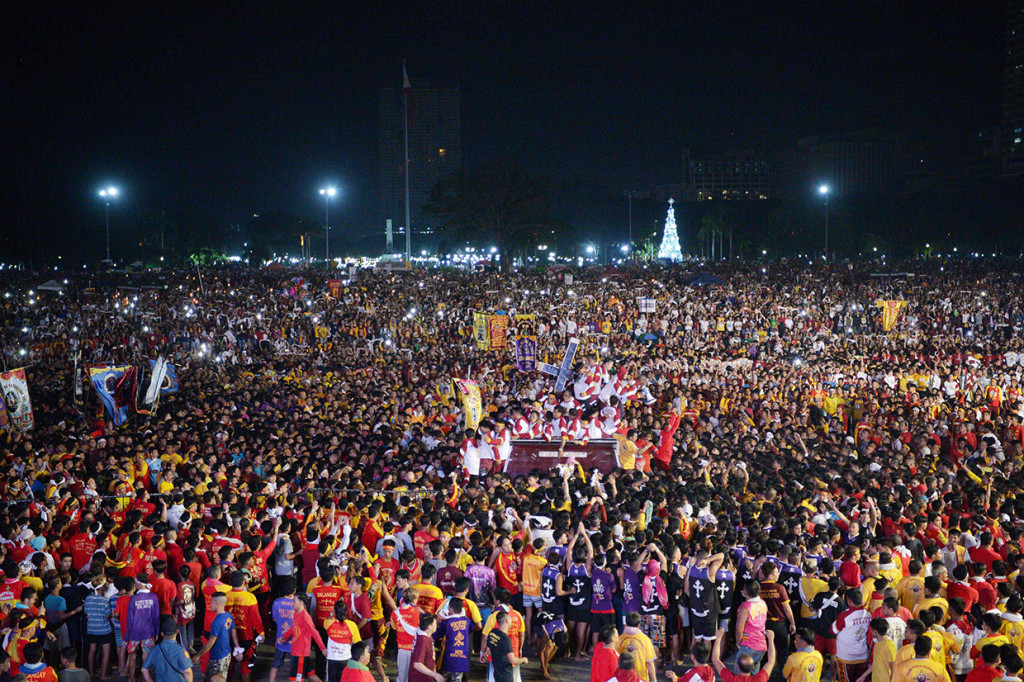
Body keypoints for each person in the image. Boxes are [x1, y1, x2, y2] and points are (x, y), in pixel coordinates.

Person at [191, 592, 239, 682]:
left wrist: (198, 655)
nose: (210, 605)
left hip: (218, 658)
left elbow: (211, 642)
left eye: (211, 602)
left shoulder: (216, 621)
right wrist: (237, 647)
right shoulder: (228, 615)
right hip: (226, 655)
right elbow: (233, 631)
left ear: (217, 604)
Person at [713, 626, 777, 682]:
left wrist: (718, 638)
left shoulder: (731, 679)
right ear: (753, 668)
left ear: (737, 666)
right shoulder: (759, 680)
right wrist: (771, 639)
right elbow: (771, 661)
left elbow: (715, 659)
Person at [485, 611, 528, 682]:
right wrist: (523, 660)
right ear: (507, 620)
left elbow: (488, 650)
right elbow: (512, 660)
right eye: (510, 619)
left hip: (497, 673)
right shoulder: (505, 639)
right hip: (506, 675)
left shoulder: (493, 632)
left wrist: (498, 657)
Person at [618, 611, 657, 682]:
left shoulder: (619, 639)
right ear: (639, 625)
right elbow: (649, 663)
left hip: (622, 678)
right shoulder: (645, 640)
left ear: (626, 623)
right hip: (641, 678)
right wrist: (654, 680)